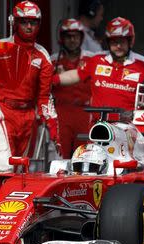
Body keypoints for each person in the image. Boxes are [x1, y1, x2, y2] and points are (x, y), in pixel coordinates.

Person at [0, 1, 59, 172]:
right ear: (15, 23)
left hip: (27, 115)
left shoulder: (43, 55)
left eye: (33, 22)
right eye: (24, 22)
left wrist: (53, 124)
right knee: (4, 167)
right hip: (1, 109)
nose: (28, 26)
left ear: (39, 24)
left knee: (21, 169)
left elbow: (44, 96)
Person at [53, 17, 144, 113]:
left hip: (128, 125)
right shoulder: (97, 59)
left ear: (130, 41)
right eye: (114, 42)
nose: (118, 46)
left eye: (122, 41)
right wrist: (52, 80)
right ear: (108, 42)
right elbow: (75, 75)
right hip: (99, 124)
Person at [52, 18, 93, 158]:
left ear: (81, 38)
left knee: (84, 157)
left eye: (75, 36)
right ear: (62, 38)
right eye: (68, 36)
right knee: (60, 157)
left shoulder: (92, 60)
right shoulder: (52, 60)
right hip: (60, 113)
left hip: (85, 113)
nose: (72, 40)